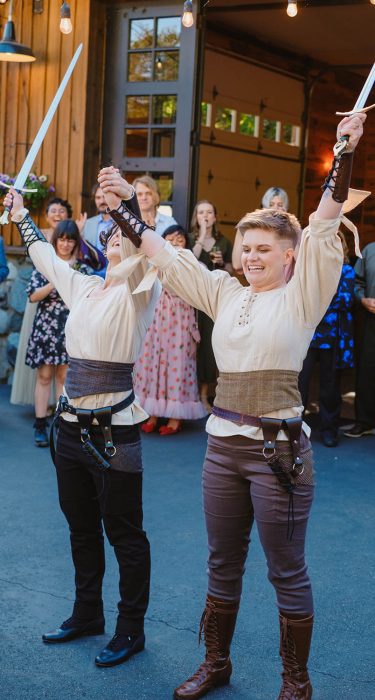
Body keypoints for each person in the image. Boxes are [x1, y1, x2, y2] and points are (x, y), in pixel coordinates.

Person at [97, 111, 365, 699]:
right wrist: (122, 208)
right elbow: (166, 260)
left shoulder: (303, 294)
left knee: (285, 571)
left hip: (279, 456)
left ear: (289, 256)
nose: (250, 255)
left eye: (263, 248)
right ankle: (216, 663)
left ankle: (297, 681)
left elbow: (322, 228)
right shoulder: (224, 292)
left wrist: (343, 150)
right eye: (245, 247)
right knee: (222, 563)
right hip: (222, 450)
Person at [4, 180, 161, 668]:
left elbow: (139, 242)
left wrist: (124, 206)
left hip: (114, 430)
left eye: (125, 232)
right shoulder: (86, 283)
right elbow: (48, 260)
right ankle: (86, 613)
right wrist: (22, 215)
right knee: (80, 528)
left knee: (125, 533)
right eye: (110, 232)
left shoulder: (142, 286)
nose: (116, 237)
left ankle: (130, 630)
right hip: (69, 427)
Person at [26, 220, 94, 447]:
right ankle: (39, 424)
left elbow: (90, 298)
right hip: (46, 327)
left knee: (64, 378)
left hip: (71, 327)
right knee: (44, 376)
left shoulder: (83, 269)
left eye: (70, 239)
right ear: (55, 241)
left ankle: (61, 424)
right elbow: (33, 296)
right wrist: (56, 280)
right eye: (62, 239)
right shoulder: (46, 265)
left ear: (76, 243)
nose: (65, 244)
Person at [134, 224, 207, 435]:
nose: (174, 242)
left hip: (180, 320)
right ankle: (152, 413)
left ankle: (176, 417)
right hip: (156, 318)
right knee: (153, 363)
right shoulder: (152, 263)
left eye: (180, 239)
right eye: (170, 238)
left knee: (178, 363)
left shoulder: (192, 264)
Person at [299, 231, 355, 447]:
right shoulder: (309, 269)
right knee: (299, 384)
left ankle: (329, 429)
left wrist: (321, 296)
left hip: (334, 336)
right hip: (308, 334)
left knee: (330, 387)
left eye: (337, 242)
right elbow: (303, 296)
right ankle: (294, 428)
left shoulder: (347, 270)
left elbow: (346, 300)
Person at [190, 200, 233, 412]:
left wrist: (222, 261)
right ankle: (187, 394)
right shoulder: (188, 238)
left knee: (207, 347)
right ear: (195, 217)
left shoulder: (223, 241)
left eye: (209, 212)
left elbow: (233, 269)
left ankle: (204, 394)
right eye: (201, 213)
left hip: (212, 300)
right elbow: (191, 260)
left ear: (215, 217)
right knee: (187, 347)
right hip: (189, 299)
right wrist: (202, 235)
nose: (205, 216)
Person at [343, 237, 375, 437]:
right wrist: (362, 299)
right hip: (371, 320)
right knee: (367, 370)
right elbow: (357, 281)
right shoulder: (370, 249)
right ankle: (365, 421)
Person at [232, 186, 290, 274]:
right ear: (264, 207)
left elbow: (301, 264)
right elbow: (237, 266)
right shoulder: (252, 228)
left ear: (286, 209)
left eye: (280, 205)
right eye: (271, 204)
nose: (275, 208)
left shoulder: (292, 230)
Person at [81, 184, 113, 278]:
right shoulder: (87, 223)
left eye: (104, 197)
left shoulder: (123, 222)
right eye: (98, 198)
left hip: (117, 272)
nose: (101, 201)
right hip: (92, 274)